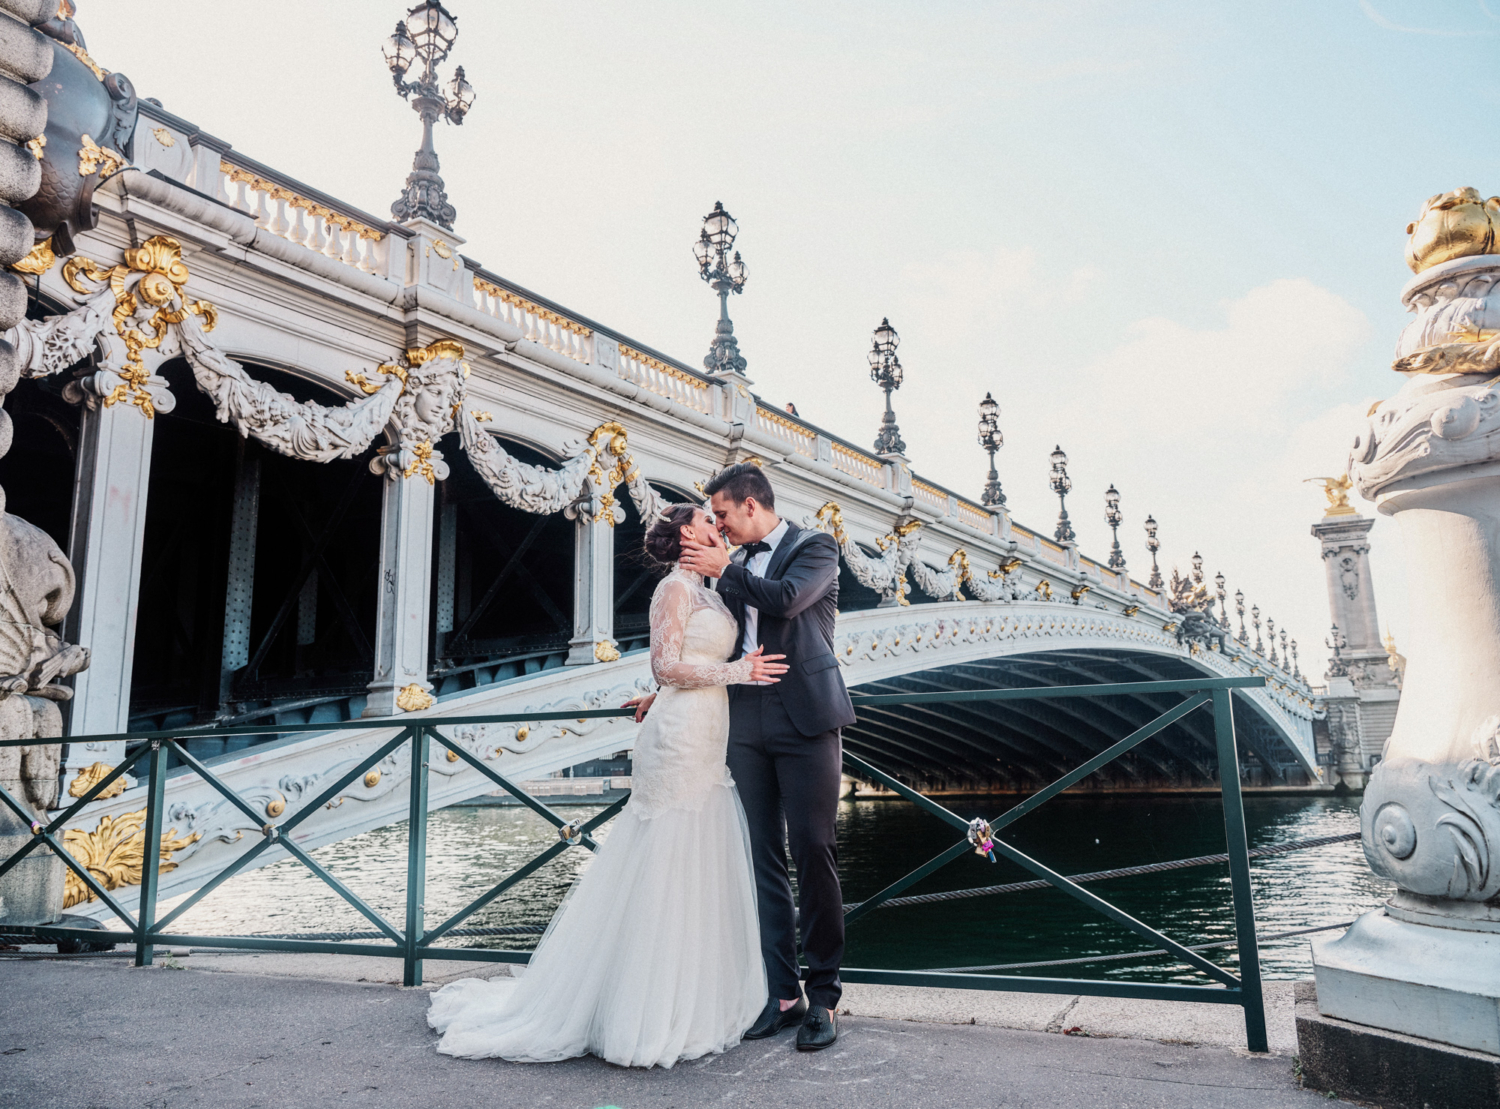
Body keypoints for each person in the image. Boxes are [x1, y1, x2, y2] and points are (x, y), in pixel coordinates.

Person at [427, 504, 788, 1069]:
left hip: (707, 728)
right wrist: (733, 674)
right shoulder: (672, 589)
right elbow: (667, 669)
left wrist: (691, 684)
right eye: (706, 517)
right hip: (679, 735)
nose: (718, 522)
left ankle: (691, 997)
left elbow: (689, 663)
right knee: (667, 855)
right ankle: (645, 1009)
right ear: (687, 532)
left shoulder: (713, 589)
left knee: (697, 857)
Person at [663, 462, 856, 1051]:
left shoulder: (814, 546)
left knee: (814, 848)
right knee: (761, 855)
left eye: (720, 514)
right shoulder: (734, 565)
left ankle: (823, 995)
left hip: (805, 718)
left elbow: (789, 601)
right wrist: (664, 688)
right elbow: (719, 641)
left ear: (751, 505)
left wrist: (725, 569)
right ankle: (783, 993)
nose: (717, 525)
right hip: (742, 717)